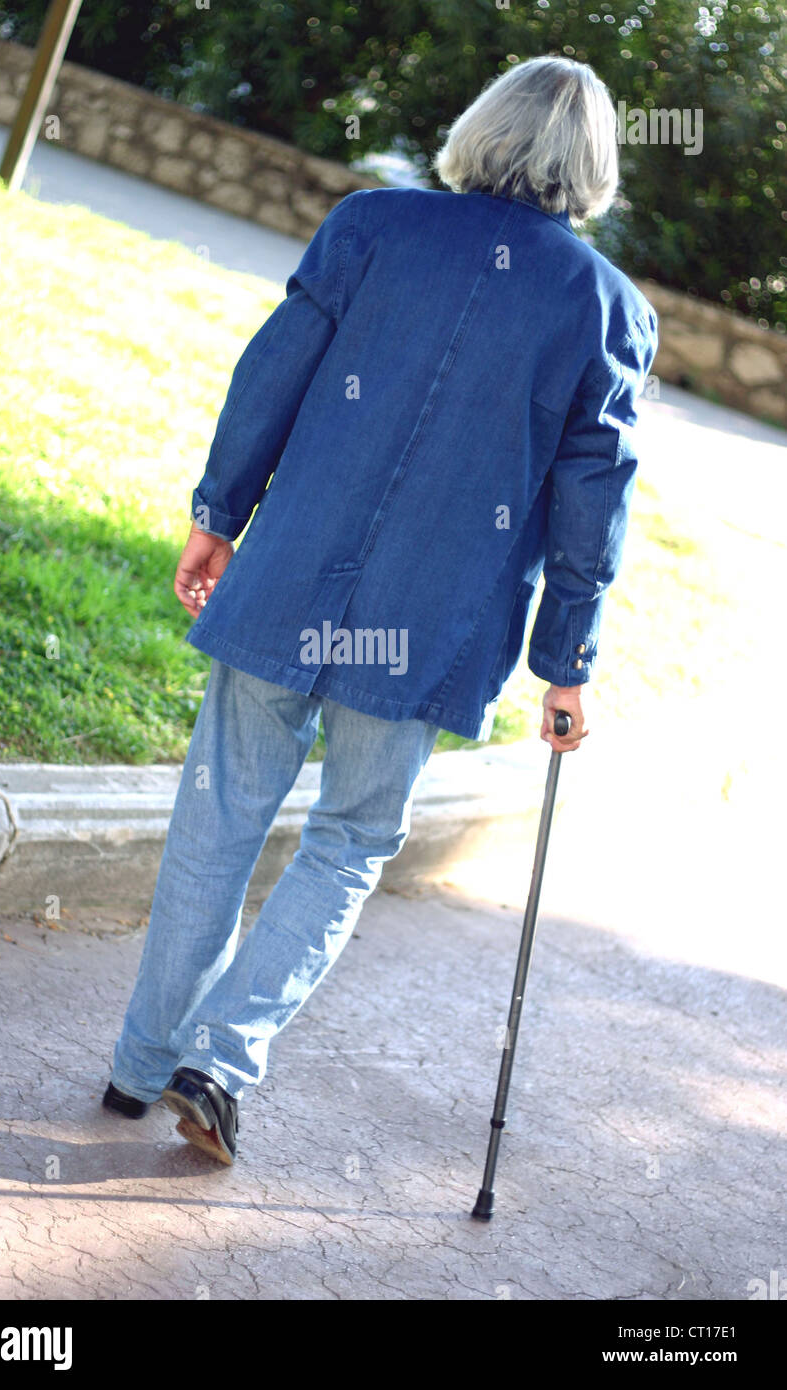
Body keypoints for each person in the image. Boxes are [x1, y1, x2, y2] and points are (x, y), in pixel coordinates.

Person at [102, 55, 658, 1165]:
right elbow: (588, 511)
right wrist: (567, 662)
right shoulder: (605, 310)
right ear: (589, 167)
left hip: (288, 581)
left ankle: (138, 1066)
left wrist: (220, 511)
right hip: (423, 630)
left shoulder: (370, 227)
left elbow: (272, 376)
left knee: (221, 814)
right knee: (351, 837)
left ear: (480, 129)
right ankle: (217, 1062)